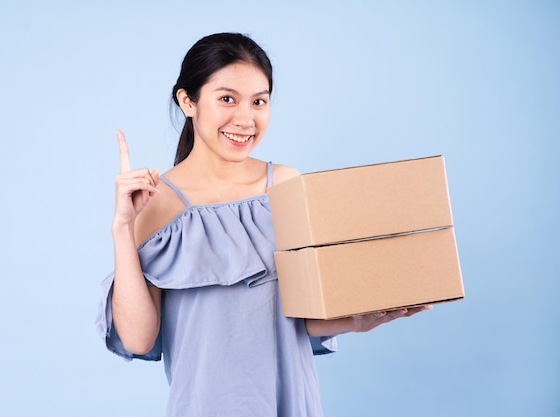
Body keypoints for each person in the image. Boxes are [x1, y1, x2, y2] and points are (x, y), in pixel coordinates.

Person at [96, 32, 430, 416]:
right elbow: (138, 339)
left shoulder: (286, 185)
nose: (245, 119)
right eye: (227, 99)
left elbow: (288, 319)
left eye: (259, 101)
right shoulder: (156, 204)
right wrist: (122, 228)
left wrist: (356, 319)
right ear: (187, 101)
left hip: (289, 401)